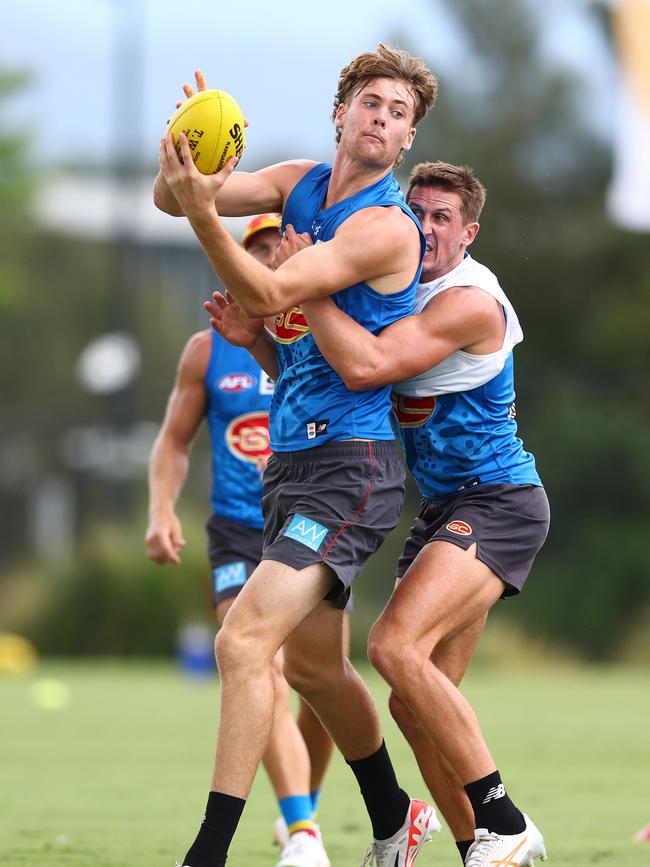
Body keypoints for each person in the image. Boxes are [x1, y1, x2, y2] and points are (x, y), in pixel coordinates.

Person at [155, 45, 439, 867]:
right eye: (372, 103)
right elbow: (169, 202)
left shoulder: (386, 226)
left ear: (407, 139)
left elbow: (273, 291)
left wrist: (207, 213)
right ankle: (395, 816)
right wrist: (182, 152)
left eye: (399, 114)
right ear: (340, 113)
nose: (382, 119)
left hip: (355, 467)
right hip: (291, 464)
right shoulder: (295, 180)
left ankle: (207, 851)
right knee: (317, 669)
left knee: (243, 643)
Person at [272, 160, 550, 867]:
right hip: (445, 511)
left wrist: (312, 282)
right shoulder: (387, 288)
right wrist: (263, 326)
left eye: (442, 218)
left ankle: (506, 819)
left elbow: (365, 368)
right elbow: (326, 370)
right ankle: (478, 851)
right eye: (416, 212)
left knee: (393, 647)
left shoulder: (468, 301)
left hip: (500, 502)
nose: (424, 228)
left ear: (469, 233)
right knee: (412, 707)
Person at [145, 214, 336, 867]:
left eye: (273, 247)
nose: (262, 258)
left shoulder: (319, 331)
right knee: (260, 664)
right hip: (235, 529)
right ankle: (304, 830)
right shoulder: (207, 348)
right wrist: (160, 508)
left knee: (322, 677)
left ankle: (303, 809)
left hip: (307, 522)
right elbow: (173, 440)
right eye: (250, 249)